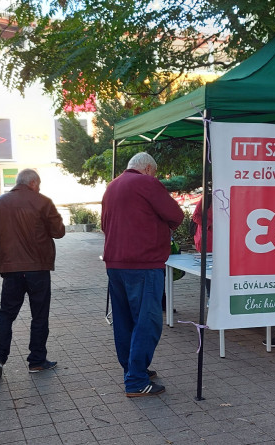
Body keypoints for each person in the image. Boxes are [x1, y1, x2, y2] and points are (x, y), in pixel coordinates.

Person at [101, 152, 184, 397]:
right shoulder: (147, 183)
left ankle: (132, 369)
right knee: (147, 321)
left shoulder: (112, 186)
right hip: (143, 262)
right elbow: (176, 215)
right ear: (148, 168)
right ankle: (136, 380)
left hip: (115, 263)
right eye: (155, 172)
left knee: (124, 320)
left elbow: (106, 223)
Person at [0, 169, 65, 377]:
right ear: (34, 183)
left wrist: (5, 247)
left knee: (6, 314)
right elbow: (59, 232)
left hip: (11, 269)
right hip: (38, 268)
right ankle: (36, 361)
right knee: (39, 315)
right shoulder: (43, 202)